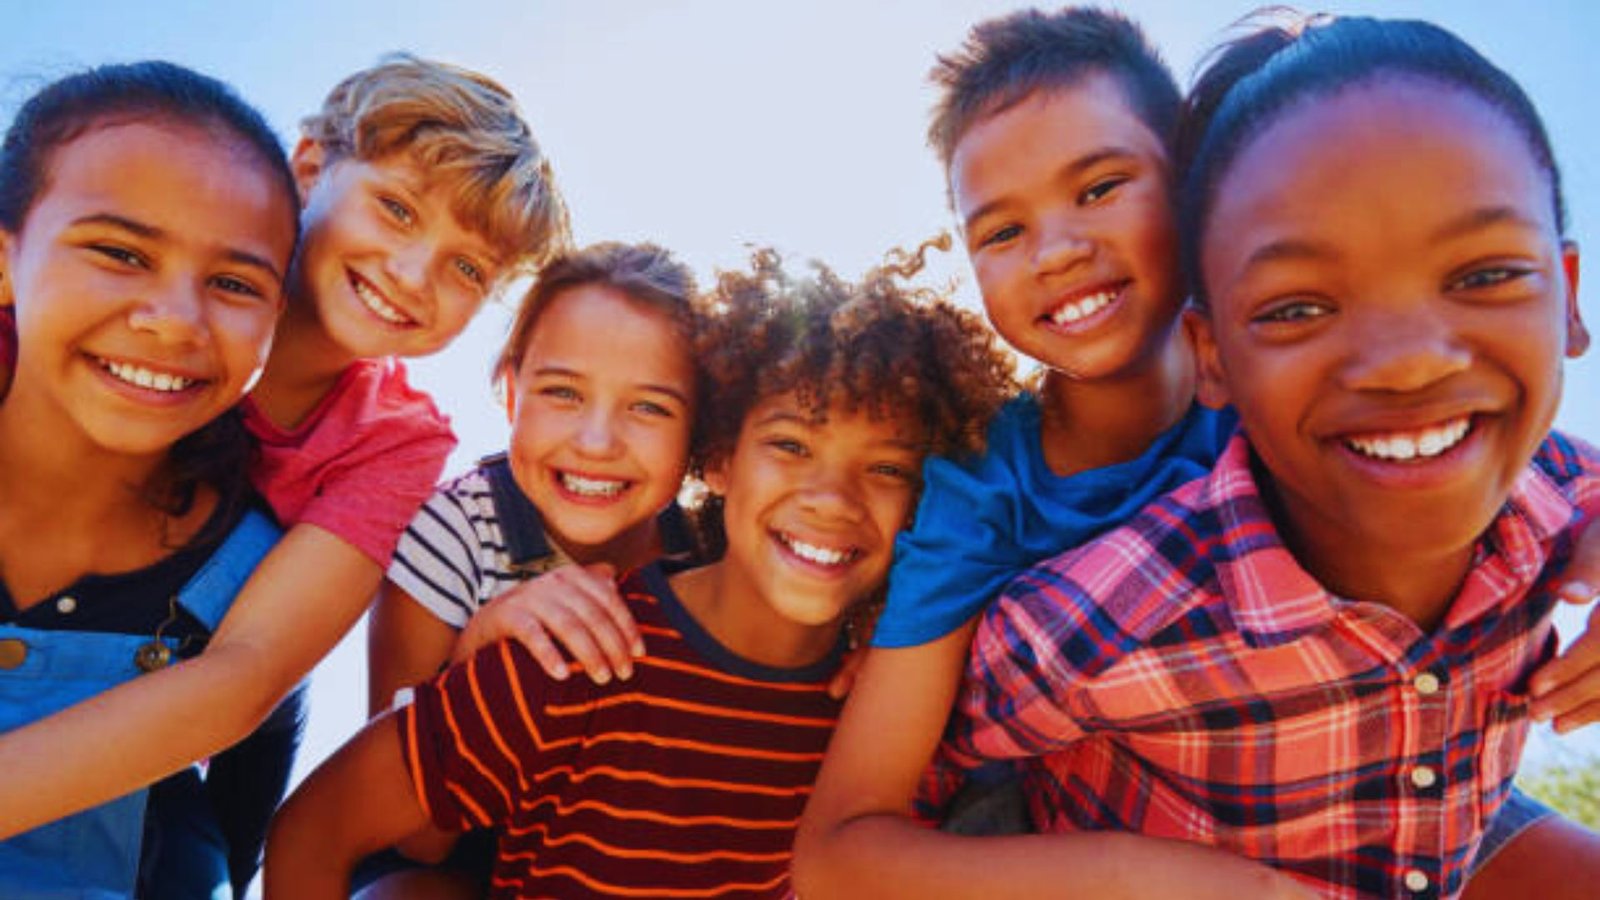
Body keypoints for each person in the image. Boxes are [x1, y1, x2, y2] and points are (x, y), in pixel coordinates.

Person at [795, 8, 1600, 897]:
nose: (1059, 250)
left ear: (1194, 197)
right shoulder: (989, 507)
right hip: (1100, 810)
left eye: (1099, 187)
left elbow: (1553, 468)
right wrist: (1159, 878)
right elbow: (859, 823)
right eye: (1001, 231)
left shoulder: (1318, 396)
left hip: (1386, 758)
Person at [262, 246, 1013, 898]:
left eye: (887, 468)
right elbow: (320, 836)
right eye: (789, 445)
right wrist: (478, 653)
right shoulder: (571, 653)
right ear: (718, 456)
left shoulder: (883, 699)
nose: (831, 499)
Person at [0, 53, 571, 896]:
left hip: (206, 684)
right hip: (82, 624)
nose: (412, 276)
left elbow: (248, 675)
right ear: (311, 168)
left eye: (466, 270)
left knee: (224, 827)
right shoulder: (115, 327)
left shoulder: (393, 437)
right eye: (396, 208)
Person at [0, 61, 298, 897]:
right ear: (5, 259)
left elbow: (265, 728)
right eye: (120, 252)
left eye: (235, 283)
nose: (175, 320)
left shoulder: (252, 563)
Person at [359, 240, 710, 897]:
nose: (597, 441)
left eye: (650, 407)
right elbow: (410, 833)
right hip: (452, 859)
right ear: (513, 392)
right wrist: (481, 652)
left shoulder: (709, 556)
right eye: (563, 392)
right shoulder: (457, 534)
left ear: (700, 431)